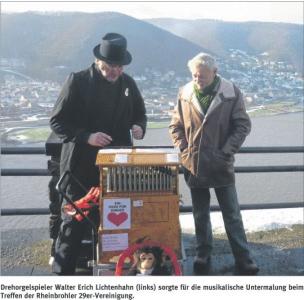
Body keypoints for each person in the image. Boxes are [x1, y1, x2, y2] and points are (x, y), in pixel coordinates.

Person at [50, 32, 147, 275]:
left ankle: (110, 279)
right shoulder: (78, 81)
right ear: (98, 62)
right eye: (110, 66)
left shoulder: (128, 84)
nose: (115, 71)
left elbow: (140, 113)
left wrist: (139, 127)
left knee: (116, 228)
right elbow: (57, 122)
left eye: (119, 66)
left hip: (116, 171)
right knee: (73, 227)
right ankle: (61, 279)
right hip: (80, 170)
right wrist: (86, 136)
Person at [169, 52, 259, 275]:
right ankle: (203, 253)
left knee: (232, 214)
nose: (197, 80)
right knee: (200, 213)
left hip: (221, 163)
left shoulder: (230, 93)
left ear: (215, 73)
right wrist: (183, 148)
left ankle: (243, 257)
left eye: (202, 76)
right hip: (195, 163)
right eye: (194, 75)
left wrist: (226, 151)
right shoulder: (185, 93)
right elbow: (175, 125)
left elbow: (242, 125)